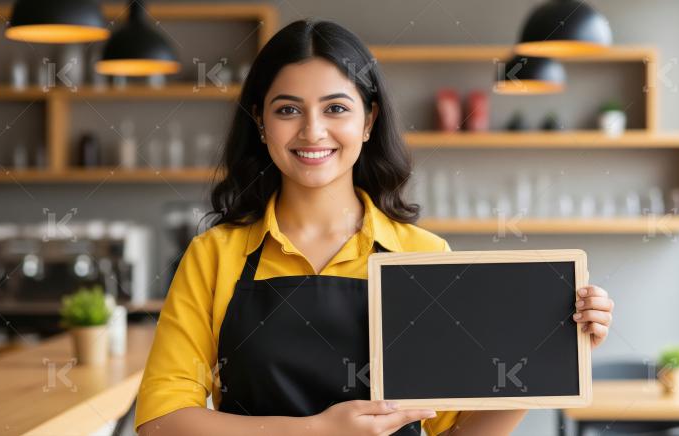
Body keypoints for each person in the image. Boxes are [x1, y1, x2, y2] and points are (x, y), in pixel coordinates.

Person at [135, 19, 614, 436]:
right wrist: (314, 433)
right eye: (287, 109)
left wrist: (546, 356)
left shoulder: (423, 255)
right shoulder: (214, 256)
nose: (312, 131)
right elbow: (162, 421)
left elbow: (454, 434)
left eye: (336, 108)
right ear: (260, 122)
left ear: (369, 120)